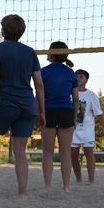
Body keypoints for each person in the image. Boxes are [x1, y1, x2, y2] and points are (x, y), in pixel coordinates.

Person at [0, 14, 46, 197]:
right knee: (20, 151)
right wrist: (41, 111)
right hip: (27, 105)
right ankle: (22, 193)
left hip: (6, 103)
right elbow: (39, 83)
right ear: (22, 32)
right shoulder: (30, 52)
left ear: (2, 30)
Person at [39, 42, 78, 191]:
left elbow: (39, 95)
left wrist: (39, 113)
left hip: (48, 110)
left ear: (51, 53)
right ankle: (66, 187)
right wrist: (74, 117)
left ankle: (48, 185)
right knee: (65, 152)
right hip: (66, 111)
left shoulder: (43, 72)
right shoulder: (70, 73)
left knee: (47, 152)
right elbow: (75, 99)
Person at [71, 69, 104, 184]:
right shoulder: (69, 93)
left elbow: (98, 113)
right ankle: (79, 179)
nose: (78, 79)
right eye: (76, 76)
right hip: (73, 130)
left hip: (87, 130)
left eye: (81, 77)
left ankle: (91, 180)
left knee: (89, 153)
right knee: (73, 155)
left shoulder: (91, 95)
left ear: (86, 80)